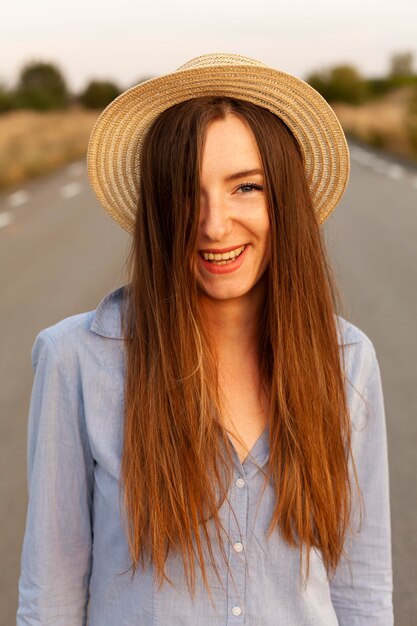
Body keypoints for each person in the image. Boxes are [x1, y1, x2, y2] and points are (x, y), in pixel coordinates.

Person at [17, 53, 393, 625]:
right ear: (158, 212)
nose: (214, 224)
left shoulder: (346, 361)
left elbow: (362, 591)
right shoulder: (75, 359)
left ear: (284, 201)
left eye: (246, 187)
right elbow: (51, 600)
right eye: (187, 193)